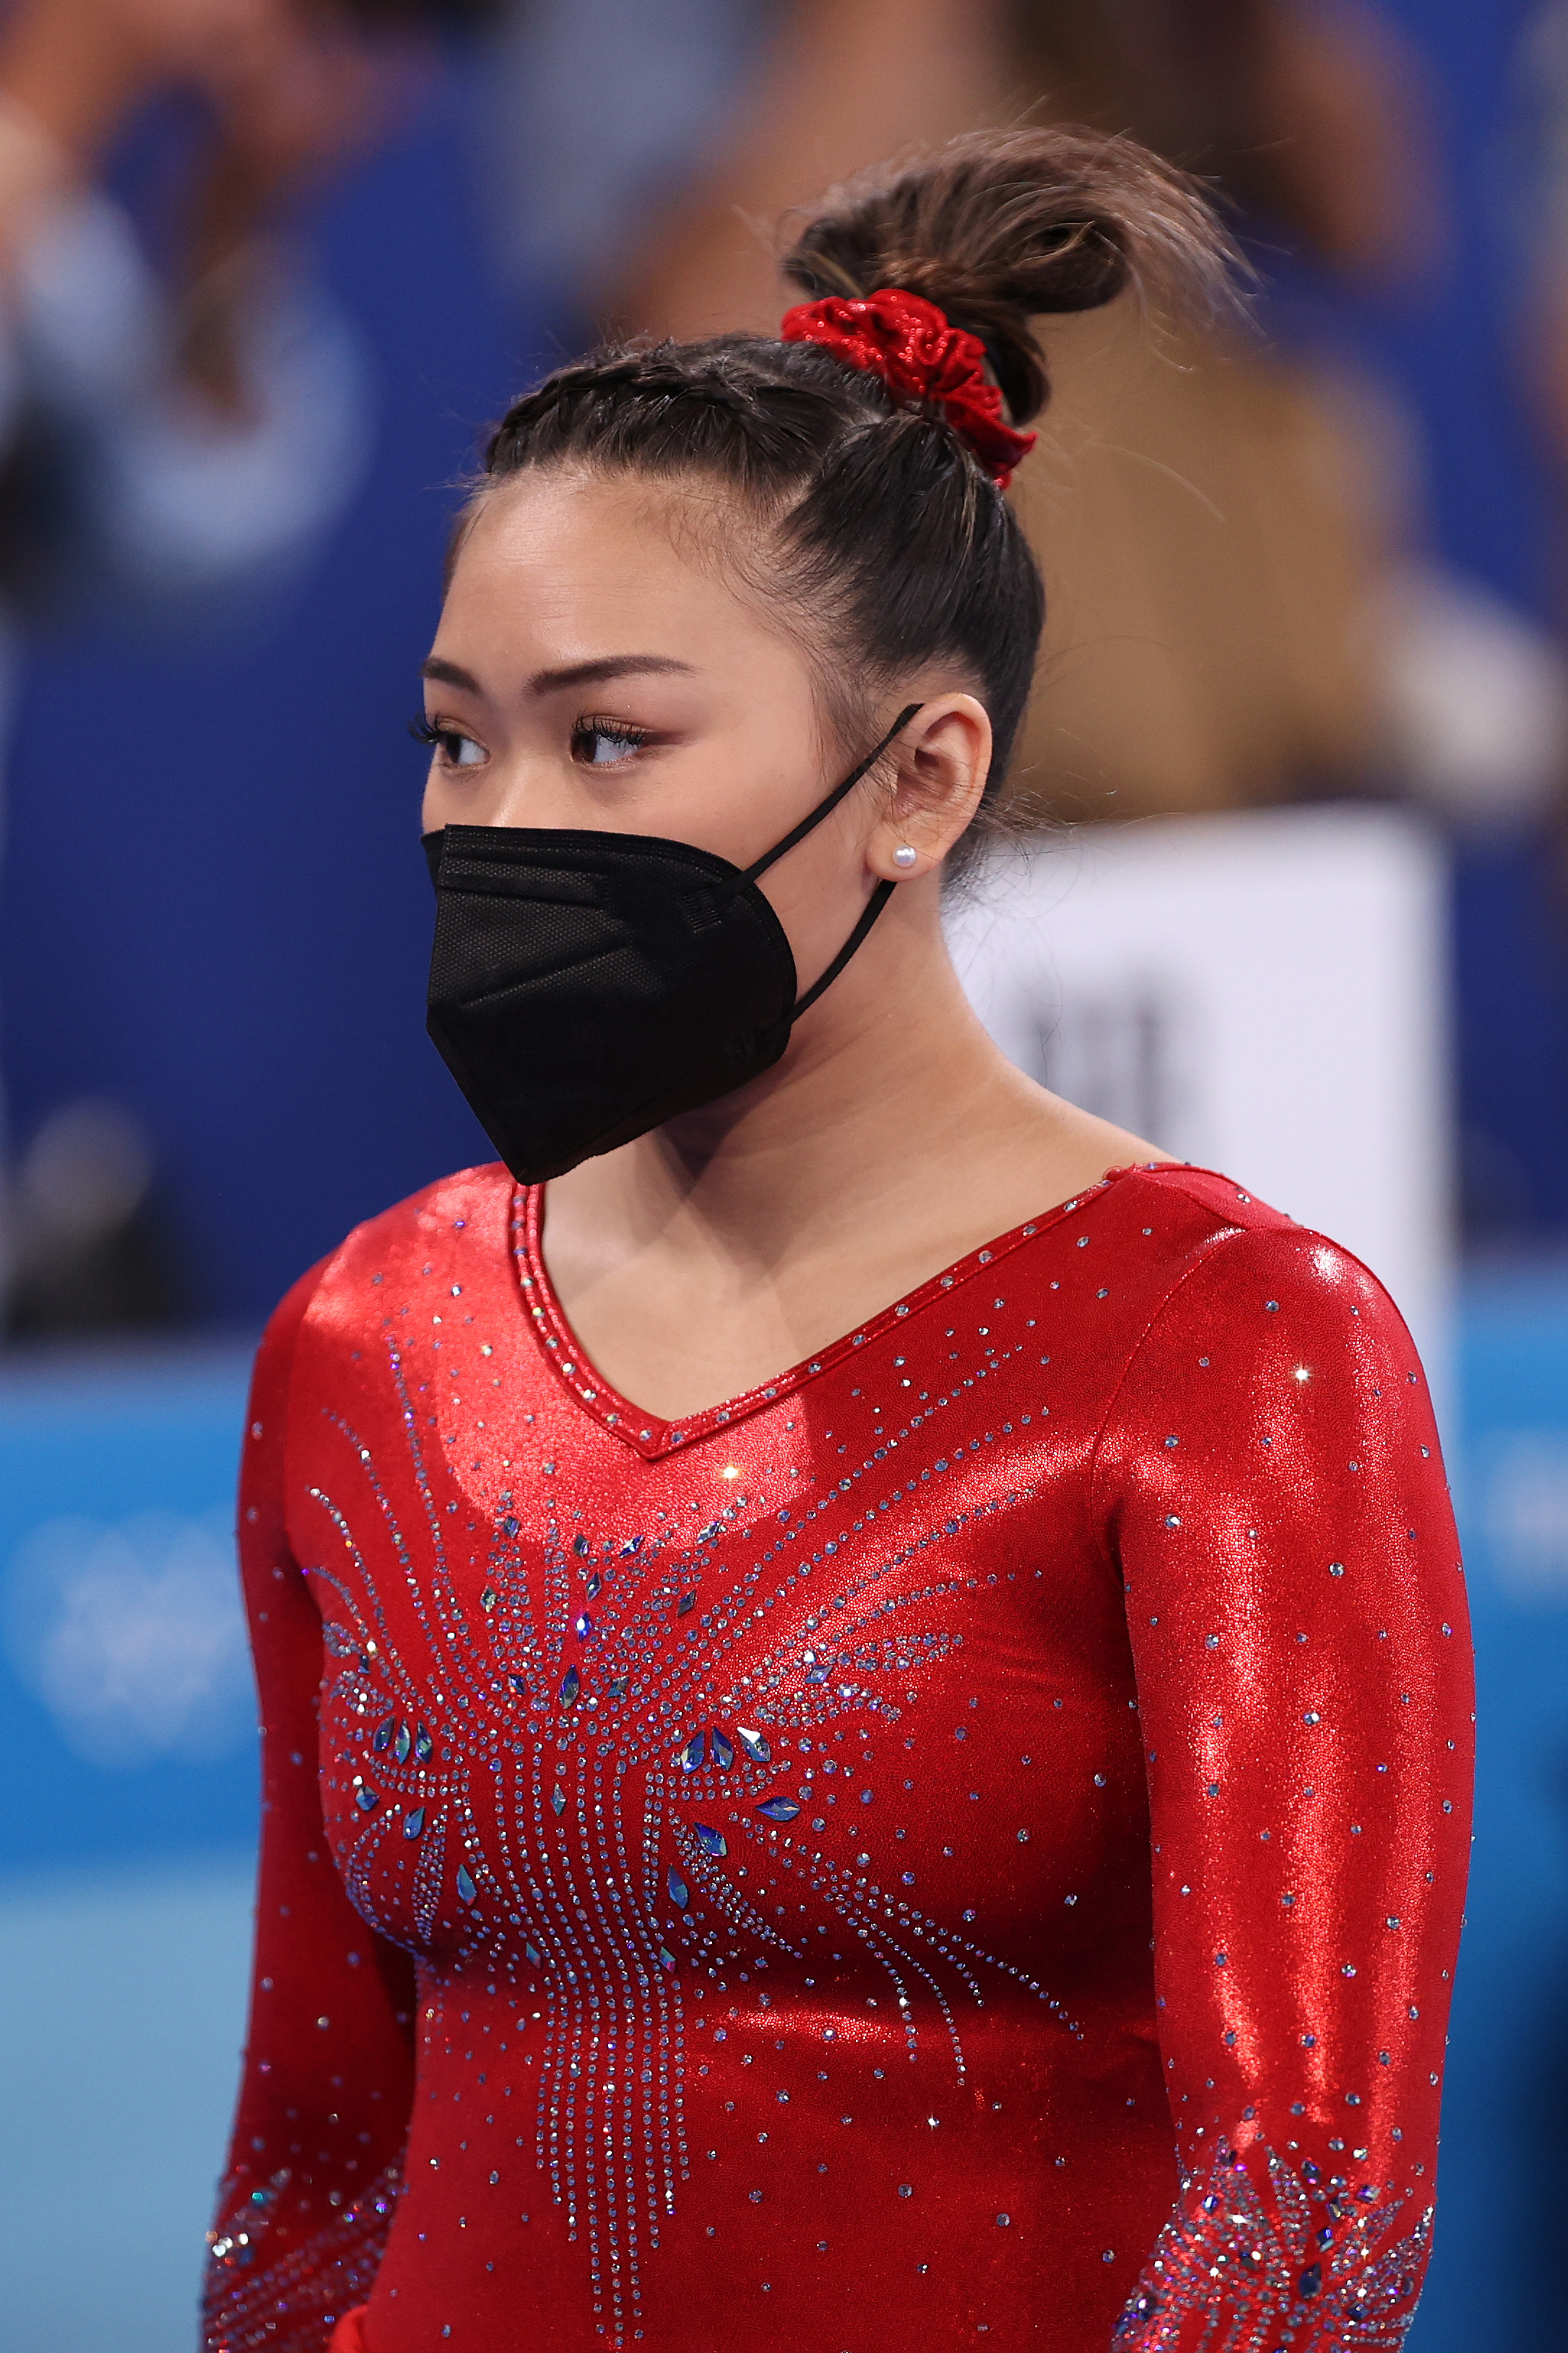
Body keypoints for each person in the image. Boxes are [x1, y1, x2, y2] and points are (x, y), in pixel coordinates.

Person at [204, 128, 1473, 2353]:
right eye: (454, 742)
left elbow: (1305, 2215)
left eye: (609, 740)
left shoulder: (1232, 1346)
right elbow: (310, 2164)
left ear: (918, 778)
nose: (504, 828)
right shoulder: (365, 1339)